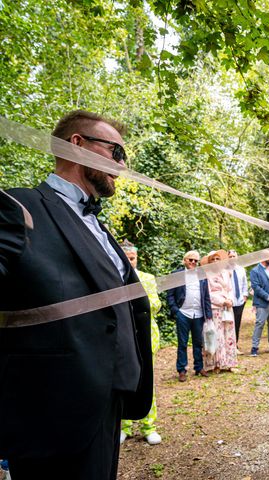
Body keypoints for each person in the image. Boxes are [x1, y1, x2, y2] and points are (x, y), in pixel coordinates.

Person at [0, 110, 153, 480]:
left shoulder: (98, 226)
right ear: (78, 145)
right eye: (116, 152)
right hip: (52, 410)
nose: (122, 164)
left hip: (108, 399)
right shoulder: (18, 208)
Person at [119, 241, 162, 446]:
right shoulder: (114, 278)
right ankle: (124, 426)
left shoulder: (147, 278)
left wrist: (138, 300)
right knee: (125, 381)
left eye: (132, 258)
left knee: (147, 382)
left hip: (146, 337)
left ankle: (149, 427)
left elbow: (155, 304)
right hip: (123, 339)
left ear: (137, 257)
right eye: (126, 258)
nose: (130, 261)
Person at [167, 251, 213, 382]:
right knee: (182, 343)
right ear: (185, 260)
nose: (193, 262)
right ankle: (182, 370)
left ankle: (199, 367)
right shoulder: (176, 274)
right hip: (183, 313)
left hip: (198, 314)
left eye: (195, 261)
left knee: (198, 343)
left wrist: (208, 315)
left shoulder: (202, 275)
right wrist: (176, 311)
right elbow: (170, 295)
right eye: (190, 260)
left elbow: (206, 296)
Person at [201, 250, 238, 372]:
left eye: (218, 259)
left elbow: (230, 289)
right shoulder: (207, 275)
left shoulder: (226, 273)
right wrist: (222, 301)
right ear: (209, 261)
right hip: (215, 307)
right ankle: (216, 363)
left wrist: (230, 300)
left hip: (228, 308)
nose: (216, 261)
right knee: (217, 335)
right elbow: (208, 294)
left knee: (229, 335)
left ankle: (230, 363)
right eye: (213, 259)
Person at [249, 255, 269, 356]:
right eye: (268, 256)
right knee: (260, 324)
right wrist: (268, 297)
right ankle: (254, 347)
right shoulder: (255, 271)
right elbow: (256, 287)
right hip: (262, 301)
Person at [228, 250, 248, 353]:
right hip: (229, 301)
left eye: (233, 256)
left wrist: (245, 295)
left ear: (237, 257)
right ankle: (229, 346)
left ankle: (235, 345)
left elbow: (244, 284)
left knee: (237, 323)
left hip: (240, 301)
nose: (232, 258)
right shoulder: (225, 270)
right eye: (230, 256)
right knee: (229, 323)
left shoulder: (241, 269)